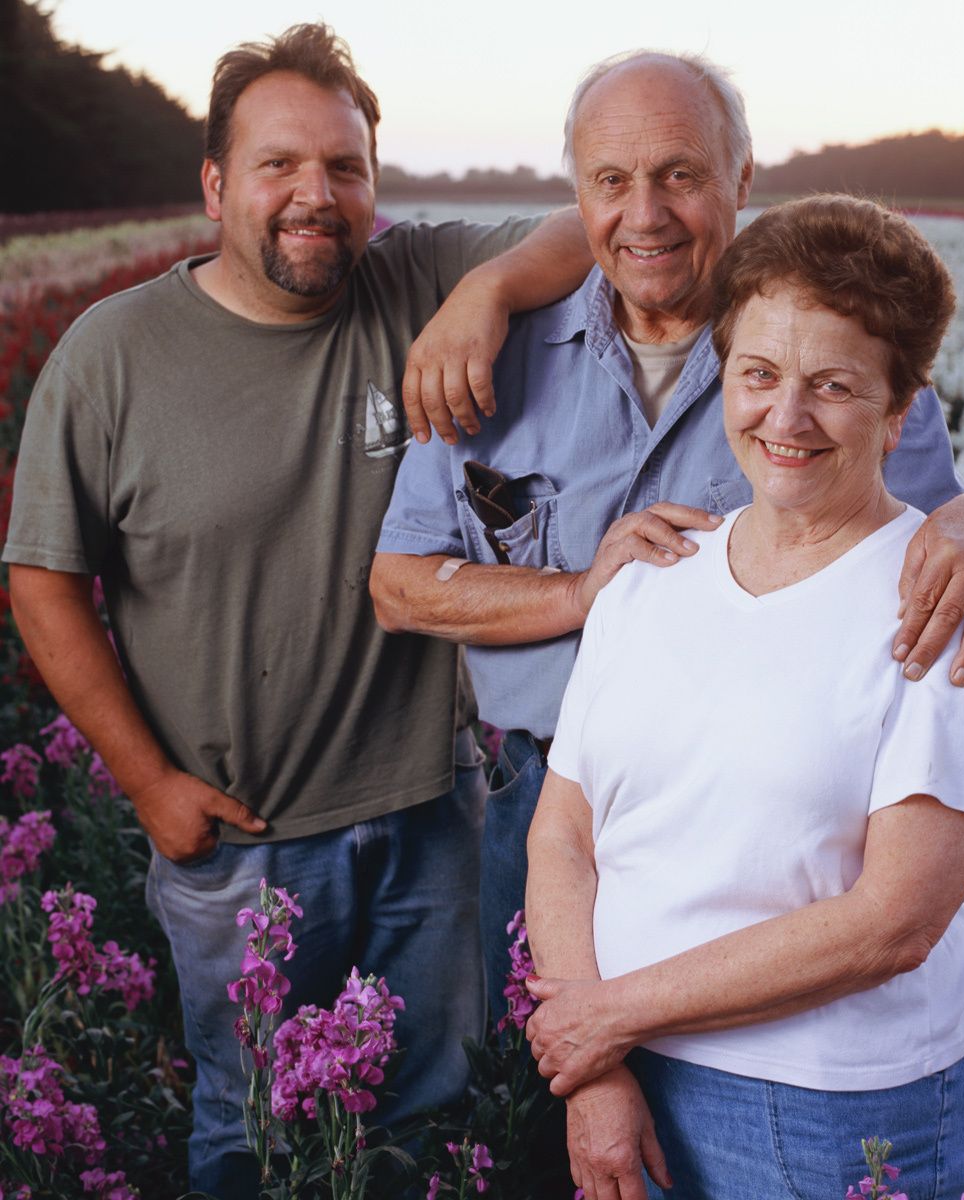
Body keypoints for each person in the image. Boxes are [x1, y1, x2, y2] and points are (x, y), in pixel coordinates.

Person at [2, 23, 593, 1199]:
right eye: (278, 166)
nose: (314, 197)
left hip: (433, 814)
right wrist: (148, 787)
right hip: (241, 837)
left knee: (423, 1122)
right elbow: (43, 580)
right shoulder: (113, 356)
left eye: (345, 168)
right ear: (216, 183)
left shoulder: (412, 278)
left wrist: (483, 293)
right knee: (248, 1132)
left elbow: (594, 227)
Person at [370, 50, 964, 1025]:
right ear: (580, 192)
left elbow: (934, 538)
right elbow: (398, 584)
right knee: (548, 1091)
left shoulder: (828, 358)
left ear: (743, 179)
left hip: (766, 816)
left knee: (740, 1084)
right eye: (612, 182)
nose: (646, 215)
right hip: (534, 805)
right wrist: (577, 593)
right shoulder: (483, 355)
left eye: (680, 175)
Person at [521, 194, 964, 1200]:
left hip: (831, 1113)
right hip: (626, 1074)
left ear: (901, 411)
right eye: (757, 375)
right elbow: (565, 837)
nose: (785, 417)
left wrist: (608, 1017)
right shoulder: (650, 575)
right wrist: (595, 1064)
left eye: (835, 386)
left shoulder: (950, 606)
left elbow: (890, 923)